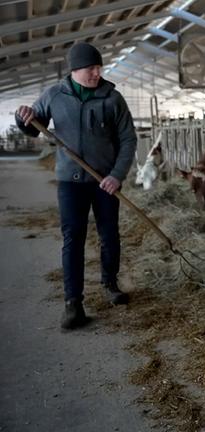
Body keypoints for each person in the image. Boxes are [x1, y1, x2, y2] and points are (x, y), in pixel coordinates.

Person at [15, 42, 137, 330]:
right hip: (71, 180)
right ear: (75, 70)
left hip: (106, 181)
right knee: (74, 239)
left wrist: (117, 174)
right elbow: (35, 126)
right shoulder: (55, 95)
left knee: (110, 234)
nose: (97, 73)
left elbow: (129, 139)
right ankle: (73, 303)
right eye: (91, 69)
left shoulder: (112, 98)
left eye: (99, 68)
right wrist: (24, 120)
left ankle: (110, 283)